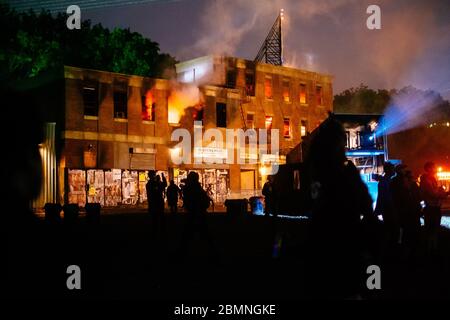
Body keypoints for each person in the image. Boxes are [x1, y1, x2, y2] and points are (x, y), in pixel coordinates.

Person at [303, 114, 375, 299]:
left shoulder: (314, 172)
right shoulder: (345, 173)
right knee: (353, 288)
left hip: (319, 244)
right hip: (345, 243)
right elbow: (365, 205)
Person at [178, 171, 216, 260]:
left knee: (188, 233)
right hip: (199, 213)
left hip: (192, 213)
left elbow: (188, 200)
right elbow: (204, 199)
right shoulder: (196, 188)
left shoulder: (189, 188)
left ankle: (183, 252)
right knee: (204, 232)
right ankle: (211, 251)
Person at [419, 161, 448, 255]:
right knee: (432, 230)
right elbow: (433, 194)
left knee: (433, 230)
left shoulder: (432, 179)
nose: (435, 169)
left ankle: (432, 249)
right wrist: (445, 193)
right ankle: (430, 251)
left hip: (434, 208)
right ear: (428, 169)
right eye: (434, 167)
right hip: (431, 208)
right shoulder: (427, 180)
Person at [146, 170, 165, 236]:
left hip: (152, 203)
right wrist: (162, 178)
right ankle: (158, 232)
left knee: (154, 219)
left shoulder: (149, 184)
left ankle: (155, 232)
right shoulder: (154, 183)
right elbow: (164, 185)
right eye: (154, 175)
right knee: (159, 219)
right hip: (157, 203)